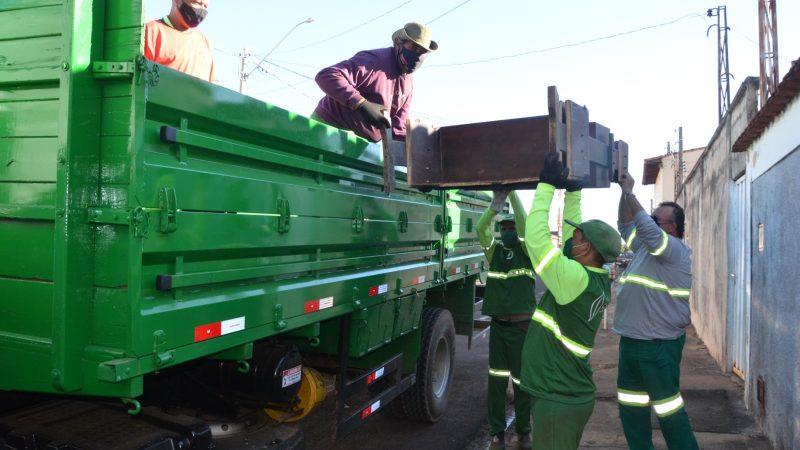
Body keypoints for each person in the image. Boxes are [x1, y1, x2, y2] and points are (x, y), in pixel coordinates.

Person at [519, 153, 621, 449]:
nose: (569, 241)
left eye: (576, 239)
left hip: (558, 399)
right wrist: (574, 192)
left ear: (588, 249)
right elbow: (574, 228)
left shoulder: (574, 279)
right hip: (566, 394)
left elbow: (537, 240)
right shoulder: (594, 277)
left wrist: (546, 187)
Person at [614, 172, 698, 449]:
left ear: (672, 228)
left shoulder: (673, 249)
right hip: (632, 342)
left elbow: (646, 230)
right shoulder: (646, 249)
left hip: (658, 346)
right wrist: (622, 193)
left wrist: (632, 192)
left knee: (669, 412)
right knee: (632, 408)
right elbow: (625, 226)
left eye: (655, 219)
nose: (648, 222)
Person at [312, 22, 437, 143]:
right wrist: (361, 104)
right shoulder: (373, 61)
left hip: (364, 143)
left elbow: (398, 127)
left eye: (422, 52)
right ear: (398, 42)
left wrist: (410, 147)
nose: (417, 55)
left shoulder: (408, 84)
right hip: (328, 127)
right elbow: (327, 76)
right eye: (413, 47)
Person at [476, 191, 534, 450]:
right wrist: (494, 206)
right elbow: (480, 229)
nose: (509, 230)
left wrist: (512, 193)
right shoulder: (494, 252)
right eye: (505, 227)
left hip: (522, 329)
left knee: (522, 384)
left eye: (511, 227)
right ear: (500, 231)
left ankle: (524, 430)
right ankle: (497, 432)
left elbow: (524, 223)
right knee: (497, 382)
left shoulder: (527, 251)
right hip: (499, 328)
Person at [144, 0, 216, 82]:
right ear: (177, 1)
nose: (201, 10)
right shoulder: (151, 31)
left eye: (205, 6)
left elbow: (212, 85)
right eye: (197, 3)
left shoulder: (204, 42)